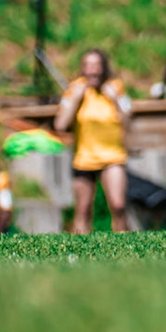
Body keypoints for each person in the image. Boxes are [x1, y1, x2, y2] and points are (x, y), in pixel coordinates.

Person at [55, 50, 131, 234]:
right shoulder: (75, 89)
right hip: (84, 158)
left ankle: (125, 248)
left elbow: (128, 122)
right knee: (83, 210)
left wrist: (114, 100)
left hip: (112, 156)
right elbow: (60, 124)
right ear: (83, 69)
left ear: (103, 68)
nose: (92, 70)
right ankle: (80, 253)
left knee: (118, 205)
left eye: (96, 65)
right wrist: (75, 99)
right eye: (88, 65)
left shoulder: (116, 88)